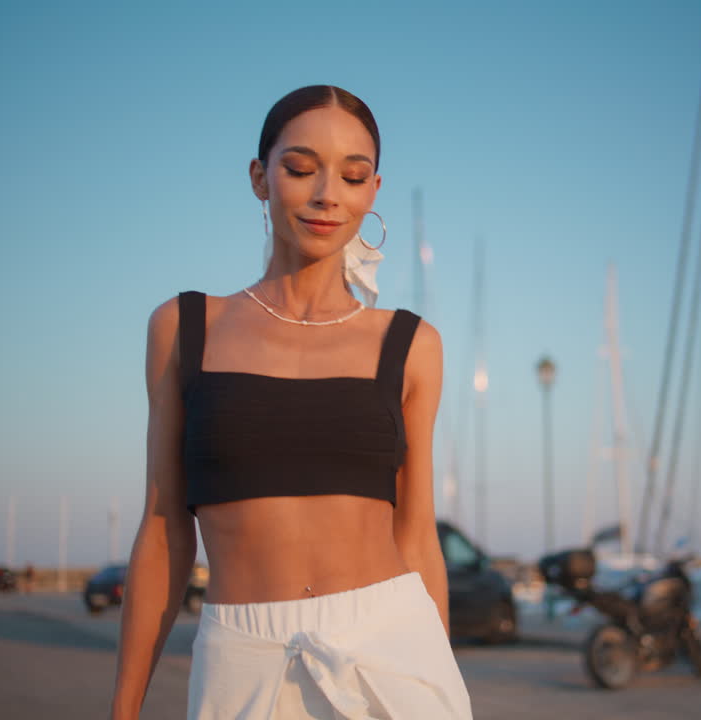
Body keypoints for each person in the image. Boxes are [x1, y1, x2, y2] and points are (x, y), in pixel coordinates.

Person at [110, 85, 471, 720]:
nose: (328, 193)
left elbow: (416, 537)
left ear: (373, 192)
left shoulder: (411, 344)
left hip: (394, 656)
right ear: (260, 176)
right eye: (301, 168)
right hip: (242, 659)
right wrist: (124, 708)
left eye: (353, 176)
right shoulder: (185, 327)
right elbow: (166, 529)